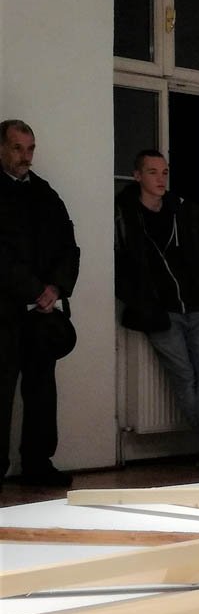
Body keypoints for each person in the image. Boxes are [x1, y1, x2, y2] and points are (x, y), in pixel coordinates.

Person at [115, 150, 199, 469]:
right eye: (153, 172)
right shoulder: (126, 215)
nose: (161, 179)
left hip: (196, 304)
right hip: (160, 311)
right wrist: (143, 301)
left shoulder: (182, 210)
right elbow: (123, 265)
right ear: (137, 176)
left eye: (164, 172)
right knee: (185, 376)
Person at [0, 119, 80, 487]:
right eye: (18, 148)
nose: (26, 156)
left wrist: (56, 288)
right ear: (2, 148)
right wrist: (35, 289)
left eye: (30, 148)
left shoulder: (45, 194)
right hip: (4, 310)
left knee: (42, 388)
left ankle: (38, 463)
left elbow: (68, 246)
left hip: (40, 313)